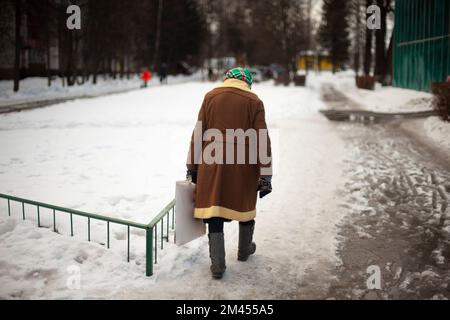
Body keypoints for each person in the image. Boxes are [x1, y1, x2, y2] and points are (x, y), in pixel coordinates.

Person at [186, 67, 272, 279]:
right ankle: (244, 251)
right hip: (244, 164)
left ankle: (217, 265)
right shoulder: (255, 101)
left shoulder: (211, 96)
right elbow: (262, 138)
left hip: (211, 162)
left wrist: (192, 167)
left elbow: (199, 132)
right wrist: (266, 175)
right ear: (247, 82)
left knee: (214, 208)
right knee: (245, 205)